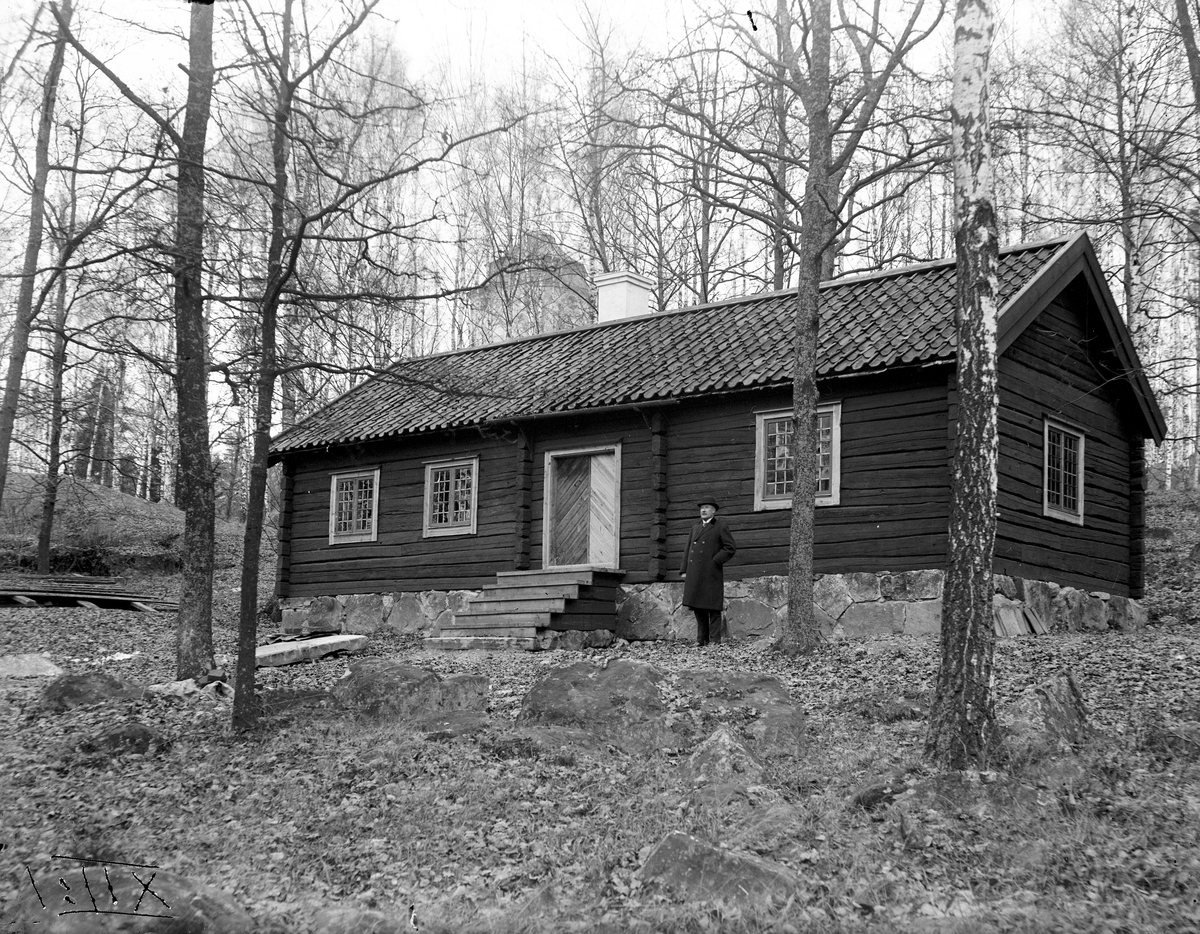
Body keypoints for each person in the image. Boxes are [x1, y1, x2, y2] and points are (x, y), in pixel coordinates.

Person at [679, 498, 737, 646]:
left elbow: (730, 548)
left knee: (713, 607)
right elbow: (688, 550)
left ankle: (715, 640)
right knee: (698, 607)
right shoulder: (695, 528)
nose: (703, 510)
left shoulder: (720, 526)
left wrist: (715, 560)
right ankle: (701, 640)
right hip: (695, 573)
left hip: (711, 572)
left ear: (713, 511)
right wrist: (684, 570)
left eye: (706, 507)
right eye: (701, 508)